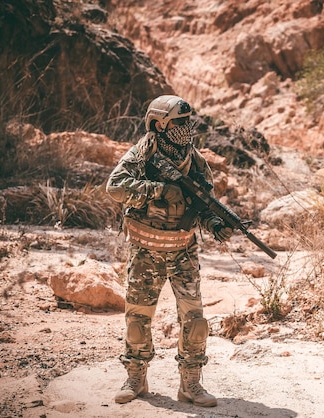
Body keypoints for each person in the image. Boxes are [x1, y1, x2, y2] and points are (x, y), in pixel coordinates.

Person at [106, 95, 233, 407]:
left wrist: (215, 224)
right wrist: (159, 190)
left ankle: (190, 383)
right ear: (159, 124)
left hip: (183, 251)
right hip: (145, 249)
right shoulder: (142, 153)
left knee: (196, 321)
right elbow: (115, 187)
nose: (186, 128)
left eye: (188, 122)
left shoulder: (194, 160)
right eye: (179, 122)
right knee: (137, 319)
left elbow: (203, 204)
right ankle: (136, 377)